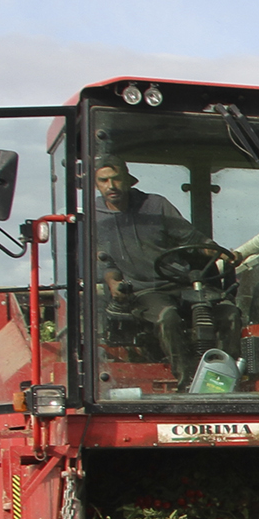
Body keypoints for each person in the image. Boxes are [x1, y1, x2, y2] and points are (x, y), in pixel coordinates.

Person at [92, 159, 226, 382]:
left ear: (127, 180)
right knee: (168, 316)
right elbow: (105, 263)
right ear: (96, 185)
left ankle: (229, 379)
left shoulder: (155, 205)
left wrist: (220, 253)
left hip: (182, 284)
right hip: (143, 290)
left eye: (116, 179)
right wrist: (114, 284)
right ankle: (188, 382)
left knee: (228, 313)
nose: (111, 185)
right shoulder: (95, 219)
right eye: (104, 181)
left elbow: (191, 238)